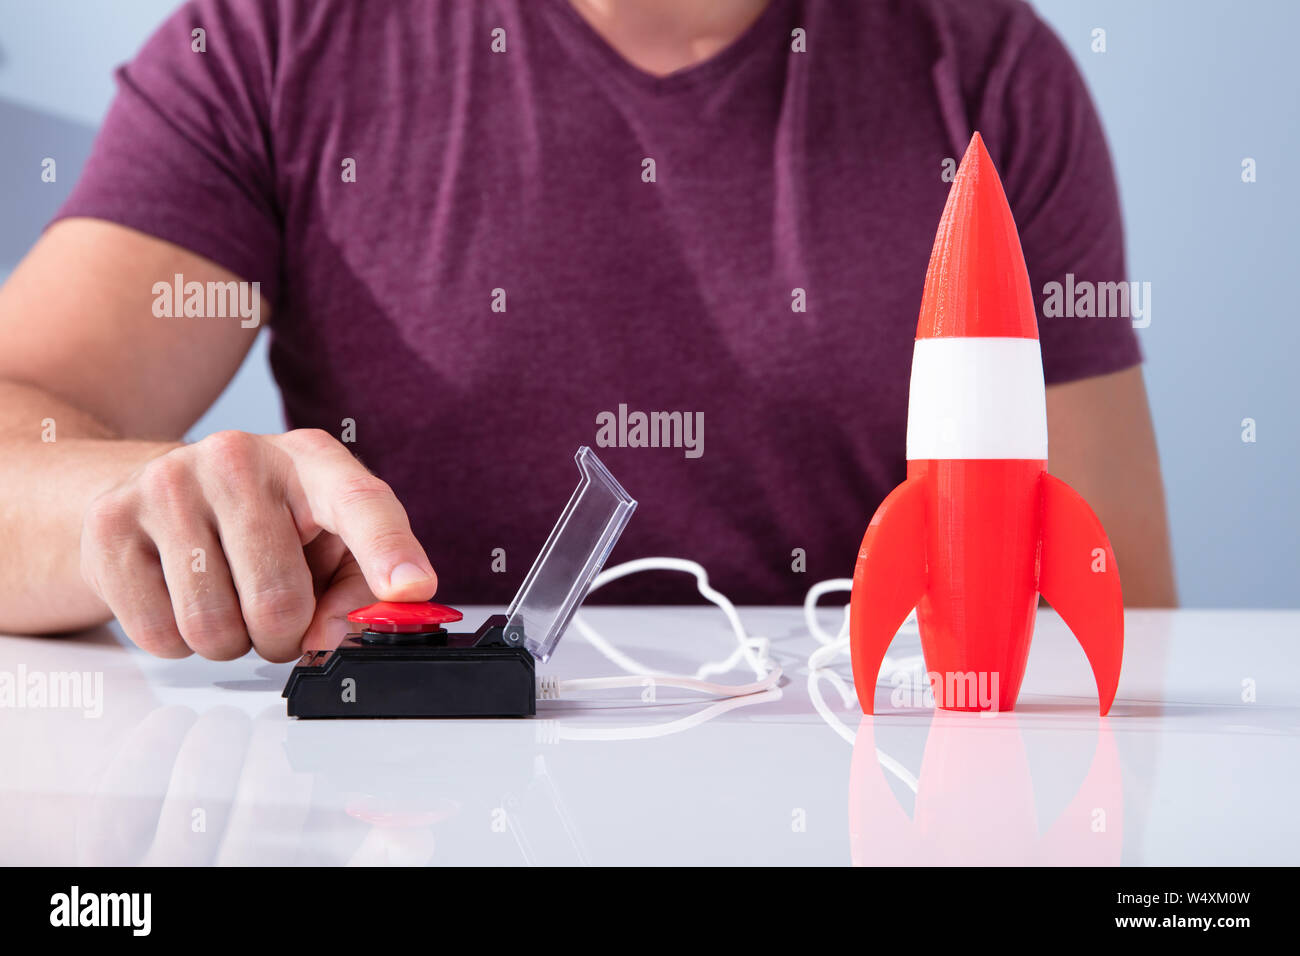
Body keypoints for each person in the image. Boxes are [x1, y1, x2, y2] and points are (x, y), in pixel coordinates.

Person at [0, 0, 1176, 664]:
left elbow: (1119, 618)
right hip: (409, 816)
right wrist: (152, 506)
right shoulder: (270, 44)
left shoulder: (987, 72)